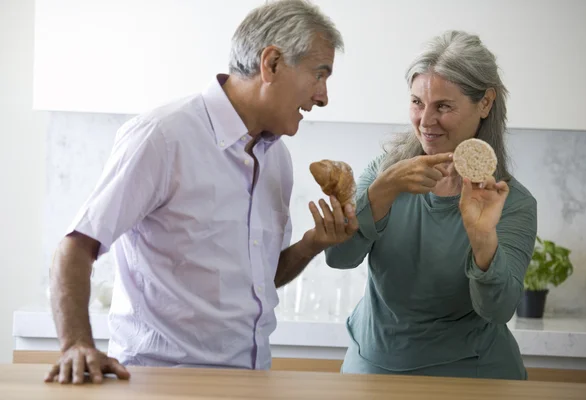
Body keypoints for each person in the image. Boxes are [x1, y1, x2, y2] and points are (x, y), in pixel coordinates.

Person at [45, 0, 358, 385]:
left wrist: (312, 244)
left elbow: (258, 279)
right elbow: (74, 248)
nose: (323, 96)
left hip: (252, 382)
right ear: (272, 63)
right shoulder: (163, 137)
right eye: (319, 75)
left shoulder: (277, 159)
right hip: (161, 383)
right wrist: (77, 343)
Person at [324, 30, 537, 380]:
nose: (425, 121)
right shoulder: (383, 173)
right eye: (417, 102)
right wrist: (380, 194)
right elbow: (339, 258)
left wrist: (482, 237)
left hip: (474, 374)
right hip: (373, 365)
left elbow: (497, 310)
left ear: (485, 103)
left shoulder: (511, 203)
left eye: (444, 106)